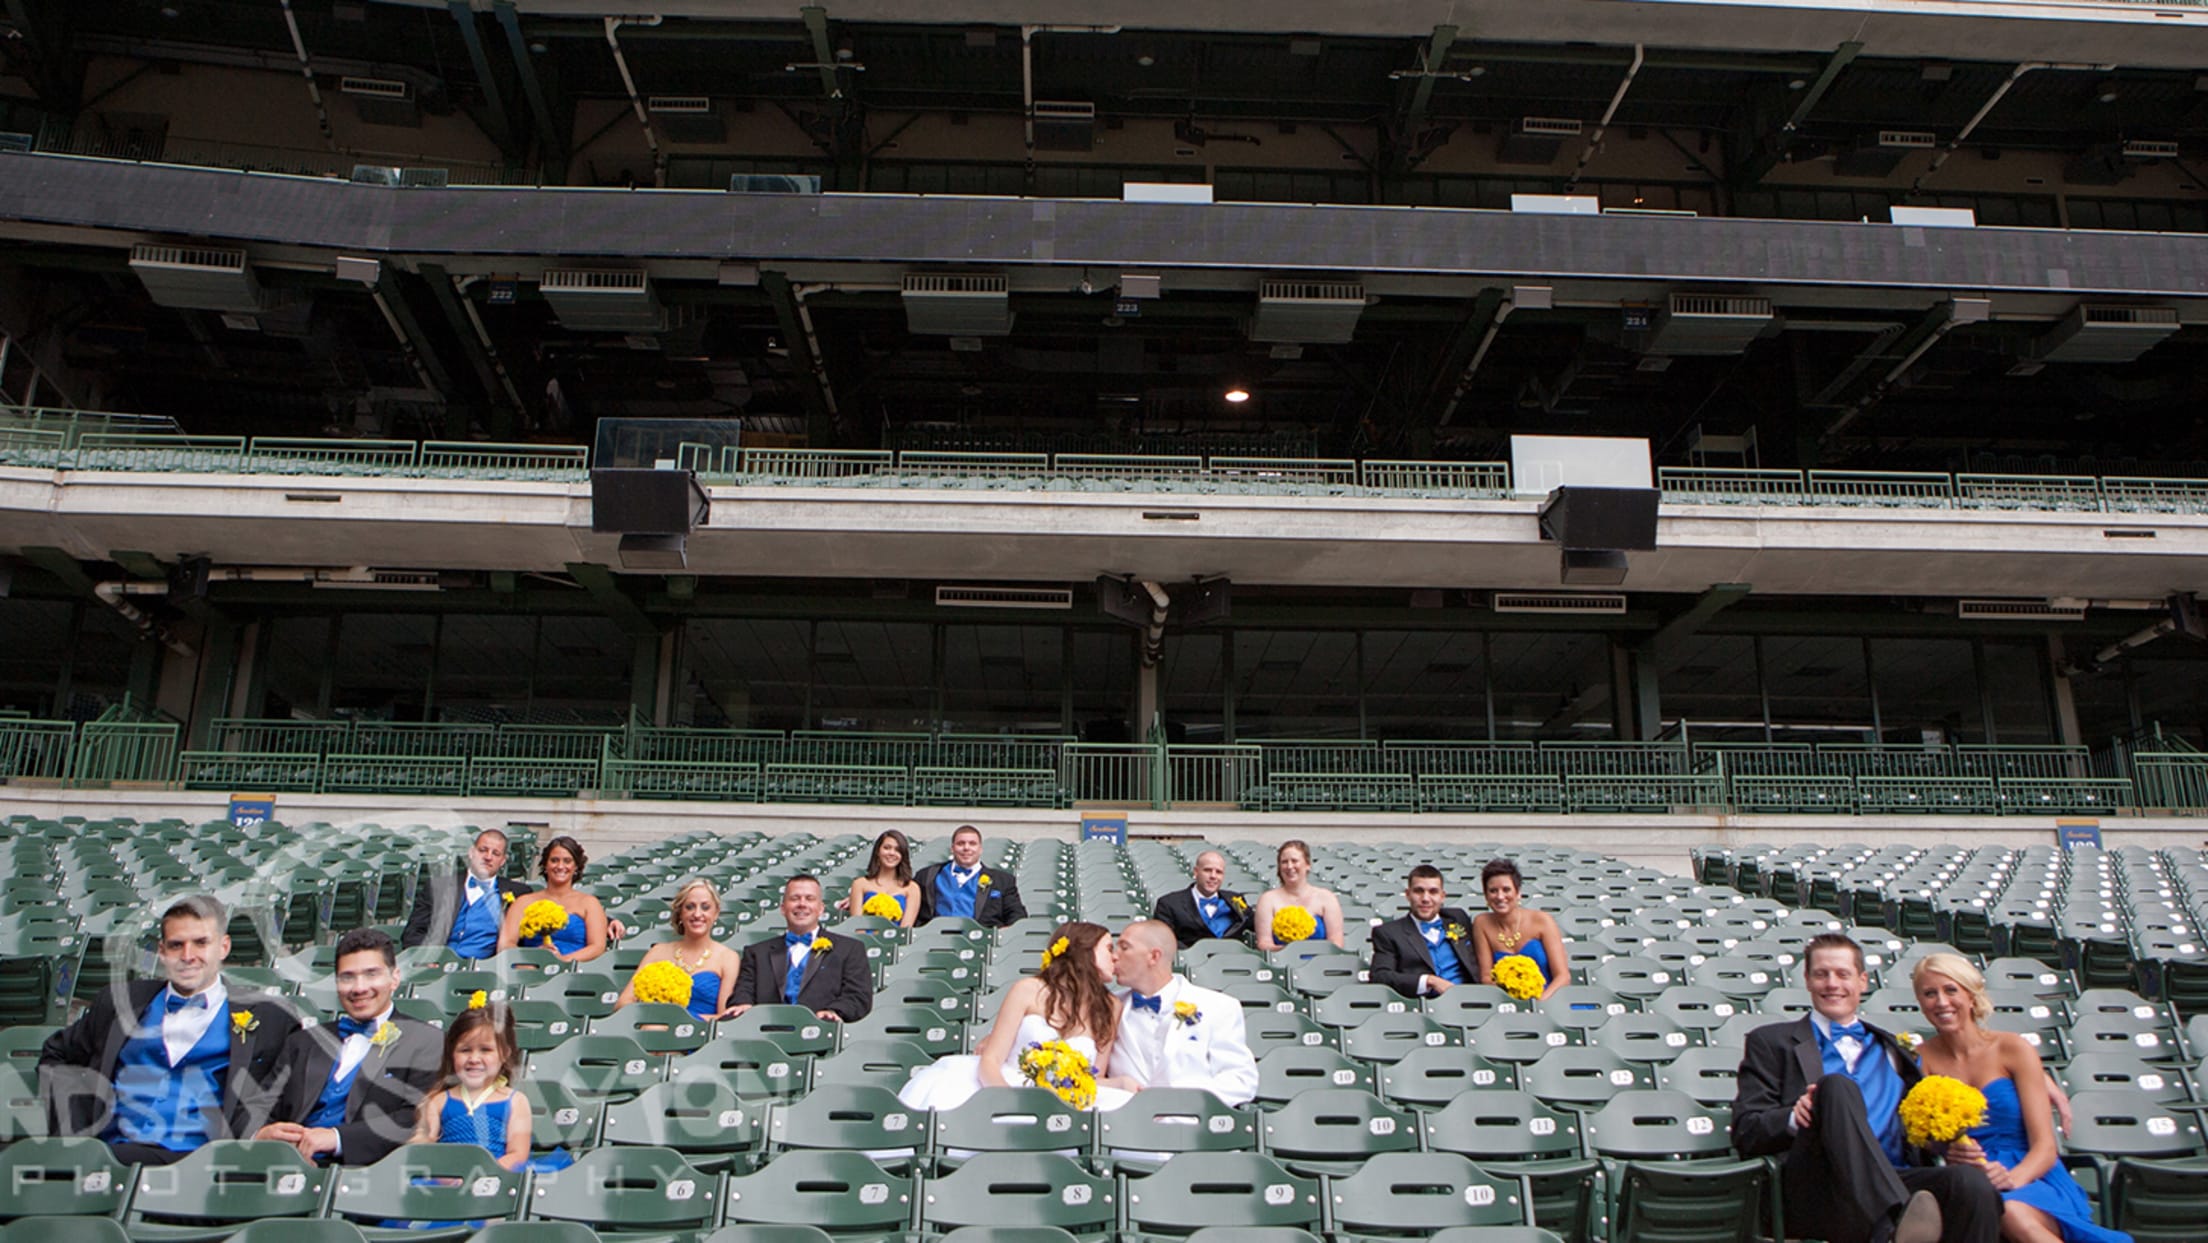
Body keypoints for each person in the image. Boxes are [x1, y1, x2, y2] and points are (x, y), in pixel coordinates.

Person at [1733, 932, 2000, 1243]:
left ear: (1862, 981)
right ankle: (1893, 1223)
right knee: (1834, 1087)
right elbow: (1745, 1131)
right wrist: (1794, 1117)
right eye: (1821, 974)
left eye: (1843, 974)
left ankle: (1896, 1220)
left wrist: (1945, 1145)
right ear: (1807, 980)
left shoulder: (1894, 1049)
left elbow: (1917, 1129)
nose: (1832, 984)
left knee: (1970, 1184)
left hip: (1898, 1176)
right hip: (1821, 1192)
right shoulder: (1771, 1042)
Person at [39, 895, 298, 1166]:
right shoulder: (120, 1002)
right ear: (161, 951)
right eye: (176, 945)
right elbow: (56, 1054)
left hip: (206, 1162)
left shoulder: (271, 1018)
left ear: (224, 947)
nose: (188, 956)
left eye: (201, 943)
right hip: (114, 1156)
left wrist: (258, 1131)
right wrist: (76, 1124)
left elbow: (290, 1091)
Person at [1911, 953, 2130, 1243]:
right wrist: (1945, 1149)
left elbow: (2045, 1146)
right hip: (1969, 1178)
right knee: (1998, 1206)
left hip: (2031, 1173)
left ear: (1971, 996)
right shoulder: (1920, 1060)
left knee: (2010, 1210)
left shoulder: (2012, 1048)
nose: (1941, 1002)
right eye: (1929, 994)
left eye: (1951, 990)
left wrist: (2011, 1180)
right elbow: (1922, 1136)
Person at [247, 928, 443, 1165]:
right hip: (288, 1169)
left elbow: (414, 1118)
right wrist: (262, 1134)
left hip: (371, 1176)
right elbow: (262, 1105)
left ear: (395, 978)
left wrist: (337, 1138)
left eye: (371, 974)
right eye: (347, 977)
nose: (359, 987)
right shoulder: (303, 1042)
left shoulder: (426, 1041)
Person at [899, 920, 1132, 1113]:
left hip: (1065, 1103)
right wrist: (1009, 1105)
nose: (1115, 958)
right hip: (1004, 1084)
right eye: (1108, 948)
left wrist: (1118, 1083)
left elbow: (1093, 1077)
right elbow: (990, 1060)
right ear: (1083, 951)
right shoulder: (1028, 990)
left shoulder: (1111, 1006)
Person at [1103, 919, 1259, 1106]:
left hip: (1193, 1125)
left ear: (1153, 956)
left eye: (1124, 947)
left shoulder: (1218, 1007)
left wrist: (1181, 1100)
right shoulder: (1106, 1007)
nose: (1114, 956)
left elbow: (1241, 1080)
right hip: (1124, 1126)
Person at [725, 875, 873, 1022]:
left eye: (810, 898)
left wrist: (833, 1012)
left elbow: (858, 996)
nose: (802, 904)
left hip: (821, 1034)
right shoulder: (756, 953)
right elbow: (743, 992)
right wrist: (743, 1004)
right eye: (795, 898)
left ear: (821, 909)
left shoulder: (850, 949)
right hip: (765, 1033)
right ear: (783, 908)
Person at [408, 1000, 533, 1170]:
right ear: (452, 1054)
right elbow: (424, 1144)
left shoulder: (515, 1101)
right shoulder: (439, 1101)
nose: (474, 1059)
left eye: (485, 1050)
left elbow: (518, 1154)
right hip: (447, 1177)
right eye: (465, 1050)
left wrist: (484, 1175)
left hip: (495, 1178)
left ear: (504, 1054)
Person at [612, 878, 740, 1021]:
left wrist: (677, 1020)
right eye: (690, 907)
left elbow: (723, 1017)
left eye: (705, 907)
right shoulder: (658, 951)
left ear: (716, 913)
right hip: (652, 1028)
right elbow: (623, 1003)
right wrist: (653, 1015)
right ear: (680, 913)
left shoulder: (728, 957)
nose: (697, 914)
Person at [401, 828, 529, 958]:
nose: (488, 857)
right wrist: (428, 960)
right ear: (471, 852)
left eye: (495, 853)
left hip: (485, 971)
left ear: (503, 861)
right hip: (438, 966)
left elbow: (525, 942)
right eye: (483, 850)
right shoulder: (439, 887)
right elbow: (413, 933)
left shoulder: (519, 893)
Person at [1369, 865, 1478, 998]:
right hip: (1421, 1007)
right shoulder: (1389, 933)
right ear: (1408, 895)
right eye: (1419, 891)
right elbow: (1380, 976)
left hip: (1467, 1001)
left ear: (1442, 896)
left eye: (1433, 892)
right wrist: (1428, 981)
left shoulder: (1458, 918)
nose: (1426, 898)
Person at [495, 836, 609, 964]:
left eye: (567, 861)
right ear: (545, 865)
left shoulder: (589, 903)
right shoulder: (524, 902)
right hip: (530, 970)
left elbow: (597, 947)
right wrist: (531, 958)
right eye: (554, 860)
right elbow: (505, 944)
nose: (560, 866)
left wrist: (562, 961)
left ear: (576, 866)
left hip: (573, 971)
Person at [1470, 858, 1571, 999]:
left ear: (1518, 893)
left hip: (1548, 998)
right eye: (1493, 891)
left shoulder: (1542, 921)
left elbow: (1562, 976)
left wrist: (1539, 1004)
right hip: (1506, 1002)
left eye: (1506, 890)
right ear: (1486, 896)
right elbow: (1486, 977)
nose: (1500, 896)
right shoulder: (1482, 923)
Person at [913, 825, 1027, 928]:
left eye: (972, 844)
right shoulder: (926, 875)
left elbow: (1016, 915)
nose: (966, 848)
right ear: (952, 848)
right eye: (960, 843)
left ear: (980, 849)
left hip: (981, 941)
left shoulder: (1003, 880)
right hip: (936, 940)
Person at [1251, 839, 1345, 952]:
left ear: (1307, 865)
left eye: (1295, 861)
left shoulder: (1327, 898)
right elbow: (1264, 944)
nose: (1290, 866)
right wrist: (1290, 950)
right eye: (1284, 862)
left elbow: (1336, 943)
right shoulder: (1267, 900)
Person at [1151, 849, 1253, 949]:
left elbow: (1256, 924)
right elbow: (1163, 941)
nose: (1213, 876)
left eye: (1218, 872)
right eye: (1207, 870)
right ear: (1196, 872)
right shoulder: (1169, 904)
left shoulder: (1235, 899)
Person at [840, 829, 922, 928]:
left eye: (897, 850)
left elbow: (905, 930)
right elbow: (857, 926)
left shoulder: (912, 888)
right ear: (878, 851)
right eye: (887, 848)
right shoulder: (860, 884)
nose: (891, 853)